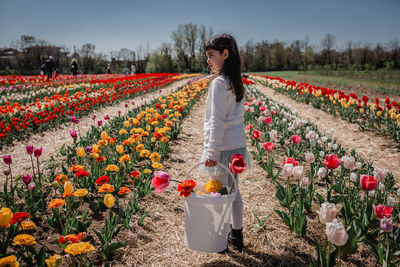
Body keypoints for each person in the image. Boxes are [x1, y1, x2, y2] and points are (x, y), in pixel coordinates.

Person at [200, 34, 251, 253]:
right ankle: (236, 235)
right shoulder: (236, 83)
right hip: (236, 148)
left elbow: (217, 122)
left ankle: (220, 239)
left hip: (221, 149)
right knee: (234, 191)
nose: (208, 61)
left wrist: (211, 152)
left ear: (225, 54)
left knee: (219, 193)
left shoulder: (219, 84)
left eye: (212, 56)